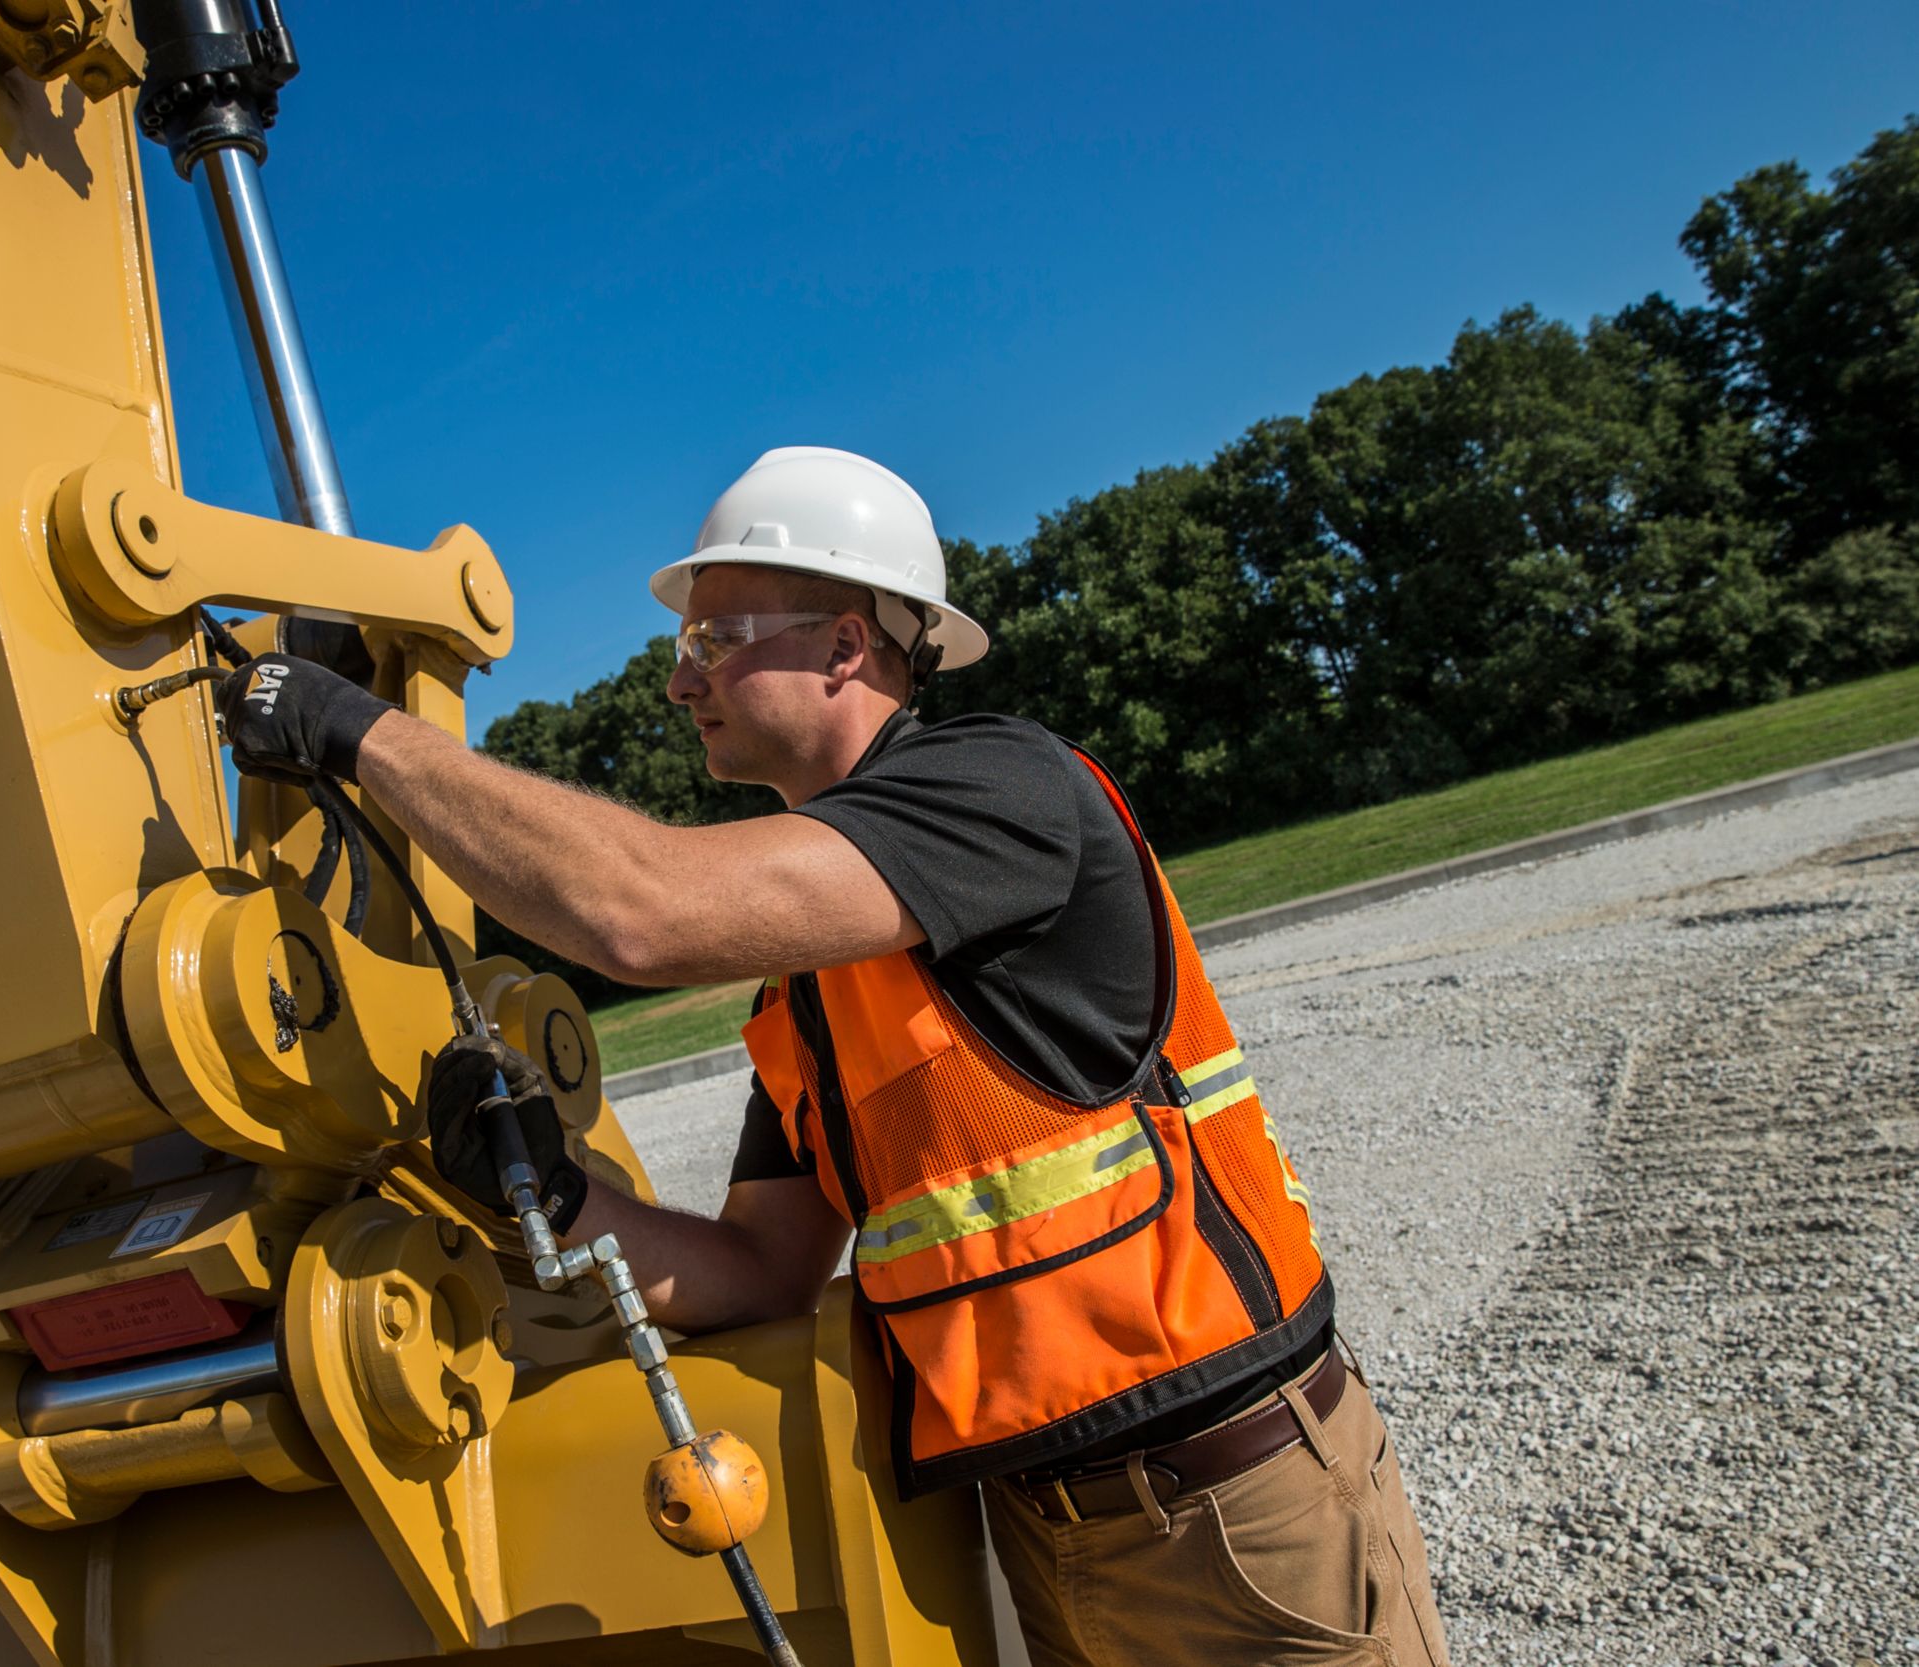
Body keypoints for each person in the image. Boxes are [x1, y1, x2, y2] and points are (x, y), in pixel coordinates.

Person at [221, 446, 1450, 1667]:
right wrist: (548, 1191)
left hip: (1233, 1507)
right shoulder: (817, 982)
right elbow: (756, 1269)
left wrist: (356, 732)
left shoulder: (1002, 784)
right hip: (1044, 1527)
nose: (674, 679)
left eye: (712, 640)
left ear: (846, 647)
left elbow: (640, 910)